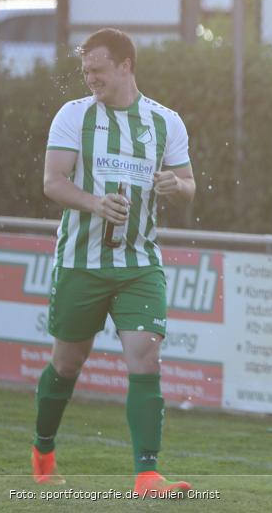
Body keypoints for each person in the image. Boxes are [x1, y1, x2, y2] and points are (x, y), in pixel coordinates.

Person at [36, 28, 195, 496]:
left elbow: (188, 185)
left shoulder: (165, 122)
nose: (90, 78)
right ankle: (43, 451)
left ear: (126, 65)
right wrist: (94, 204)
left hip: (139, 262)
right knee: (67, 363)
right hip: (81, 263)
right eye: (85, 71)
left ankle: (147, 474)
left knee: (145, 355)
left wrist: (175, 186)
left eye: (99, 70)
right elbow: (52, 181)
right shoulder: (74, 116)